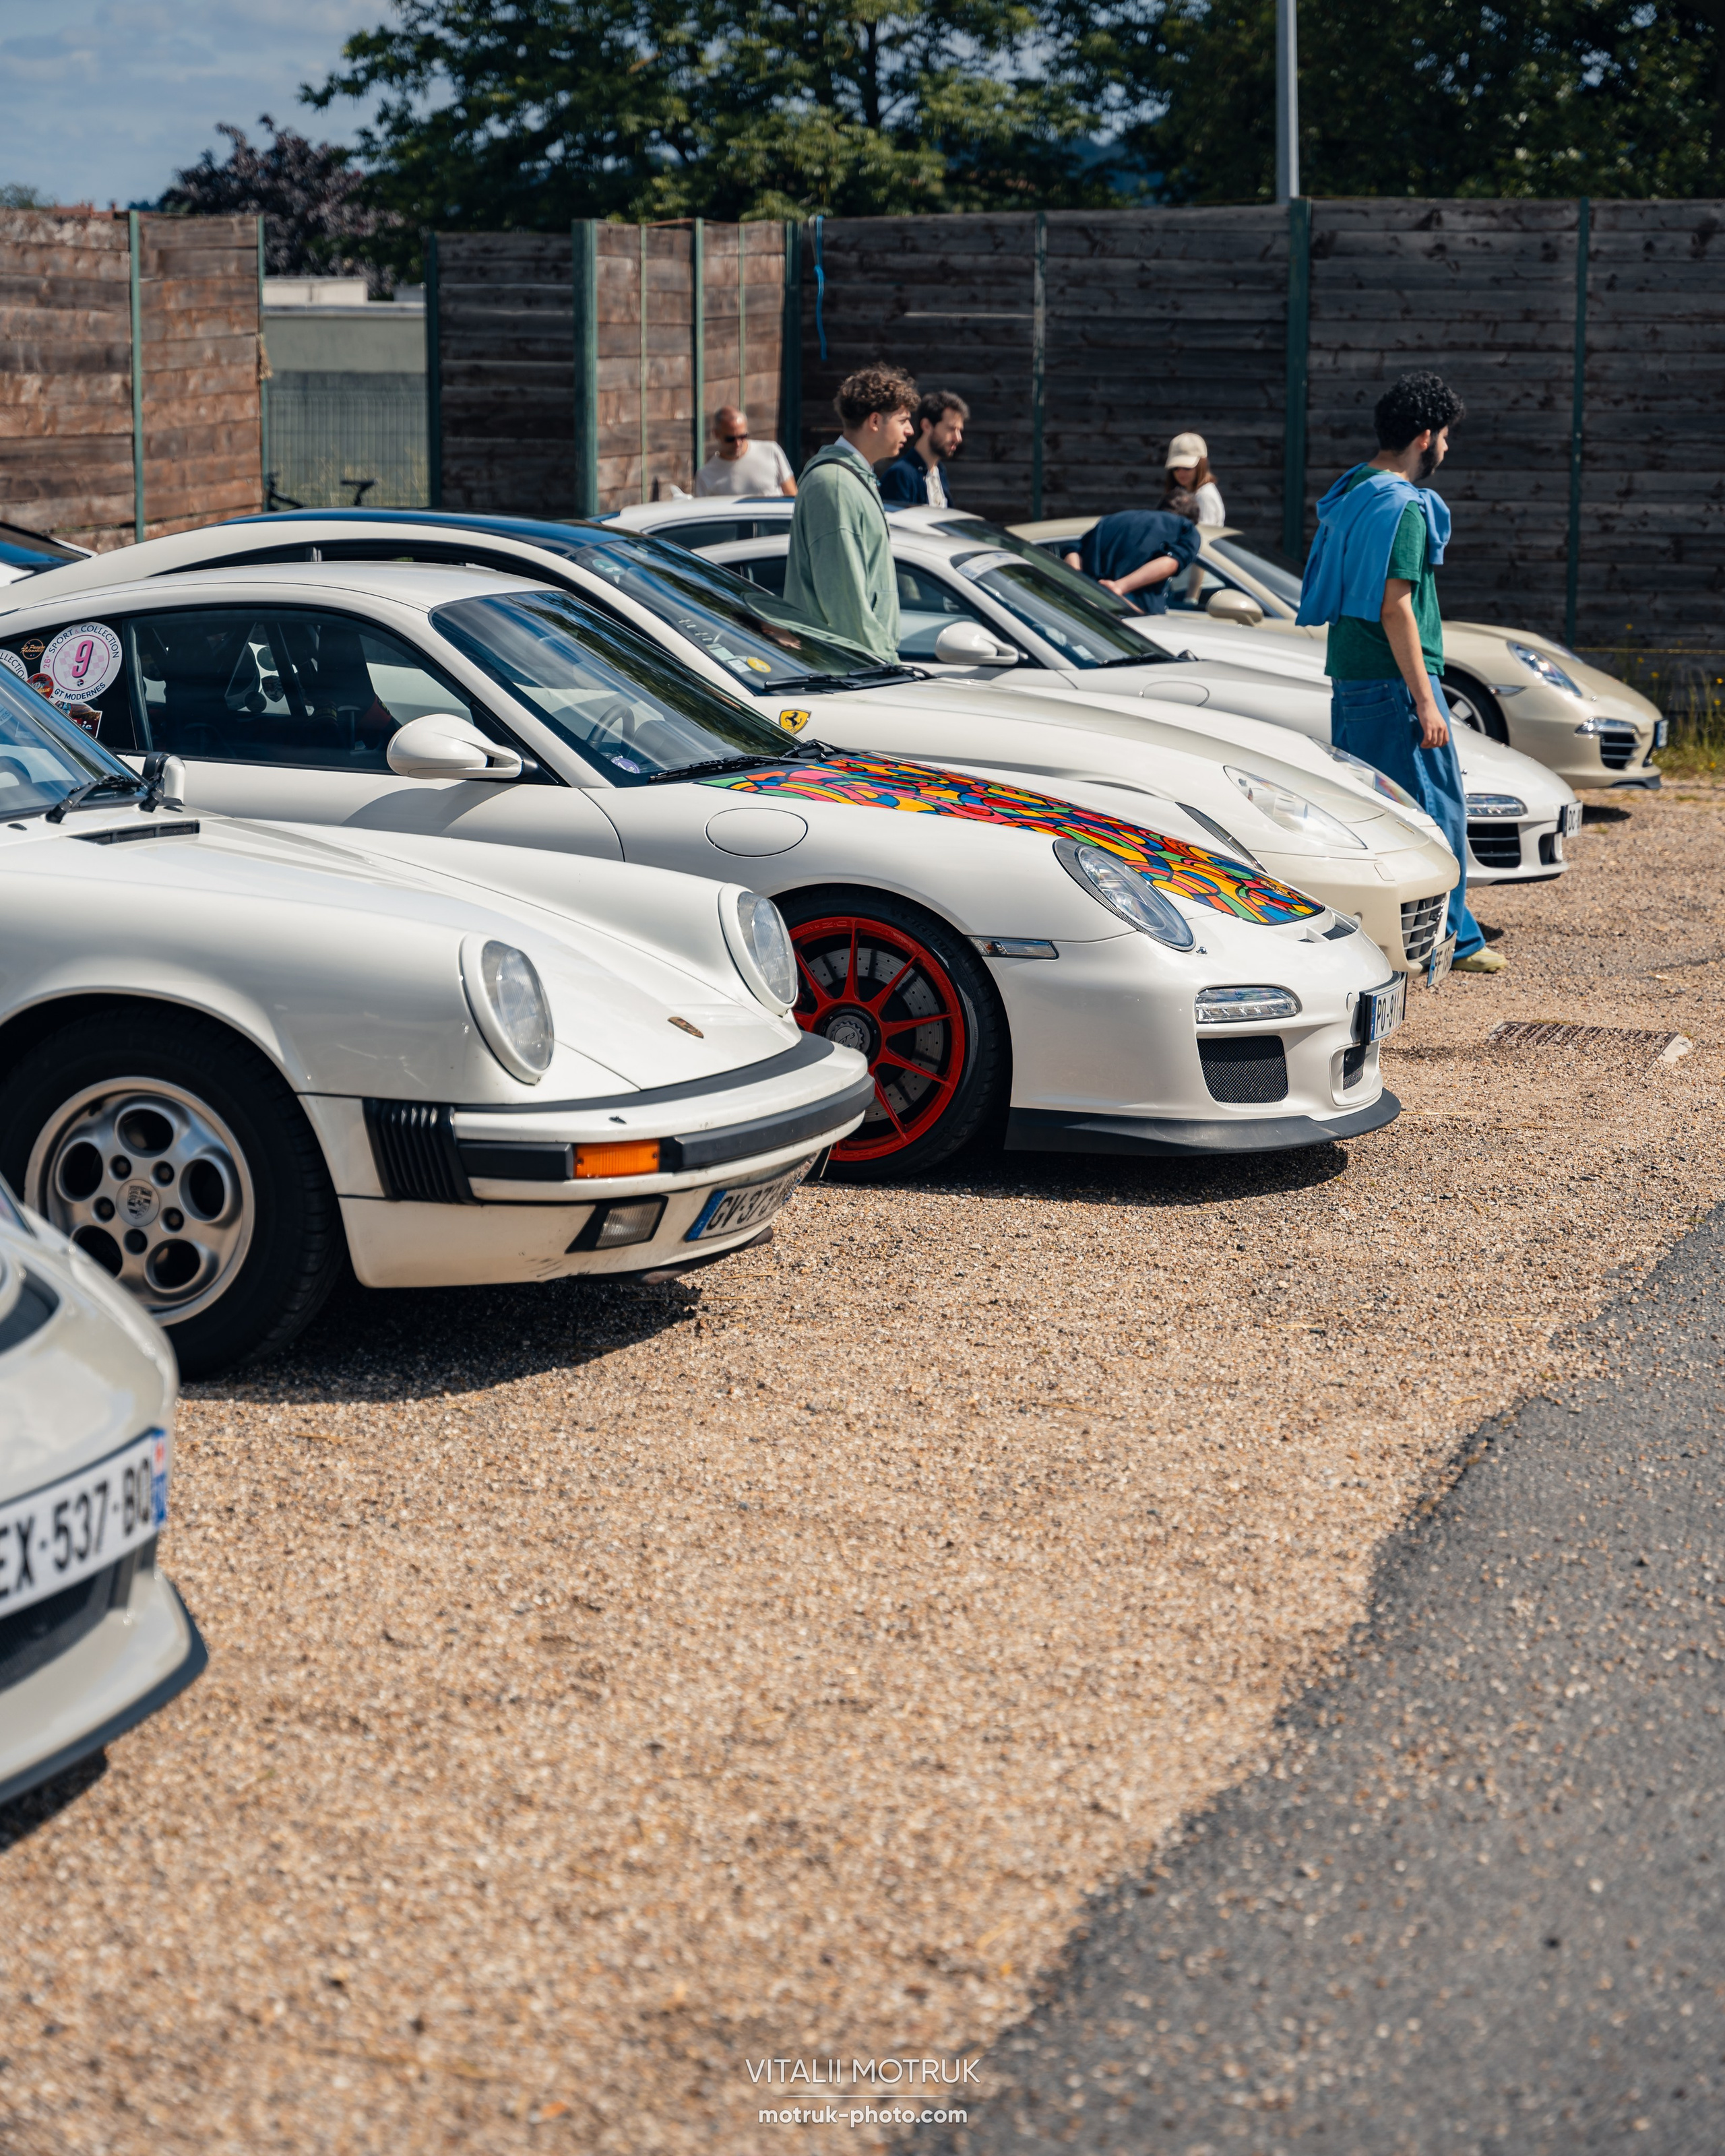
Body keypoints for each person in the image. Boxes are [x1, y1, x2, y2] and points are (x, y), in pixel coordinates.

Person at [1296, 369, 1499, 975]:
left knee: (1368, 812)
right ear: (1426, 437)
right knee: (1437, 813)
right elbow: (1396, 605)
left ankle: (1377, 935)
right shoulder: (1404, 507)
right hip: (1395, 683)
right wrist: (1428, 700)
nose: (1446, 449)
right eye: (1445, 438)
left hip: (1352, 677)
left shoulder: (1352, 490)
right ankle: (1454, 942)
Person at [783, 364, 918, 664]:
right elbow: (845, 601)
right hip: (849, 672)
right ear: (874, 421)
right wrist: (886, 667)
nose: (910, 430)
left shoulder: (850, 479)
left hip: (854, 670)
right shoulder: (836, 485)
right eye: (903, 420)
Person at [1063, 497, 1201, 614]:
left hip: (1090, 610)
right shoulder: (1186, 528)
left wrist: (1080, 583)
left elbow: (1072, 549)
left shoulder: (1112, 519)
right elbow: (1172, 562)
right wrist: (1119, 587)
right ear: (1193, 521)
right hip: (1136, 615)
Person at [878, 390, 968, 509]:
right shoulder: (901, 475)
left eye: (959, 431)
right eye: (951, 429)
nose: (958, 438)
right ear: (926, 426)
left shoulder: (939, 471)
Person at [693, 406, 796, 498]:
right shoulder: (705, 476)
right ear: (716, 434)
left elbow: (793, 497)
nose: (738, 444)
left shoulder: (771, 451)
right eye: (730, 439)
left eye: (743, 437)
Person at [1166, 432, 1225, 525]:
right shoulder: (1189, 493)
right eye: (1175, 468)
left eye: (1187, 467)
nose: (1181, 473)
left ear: (1201, 464)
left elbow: (1203, 536)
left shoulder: (1204, 496)